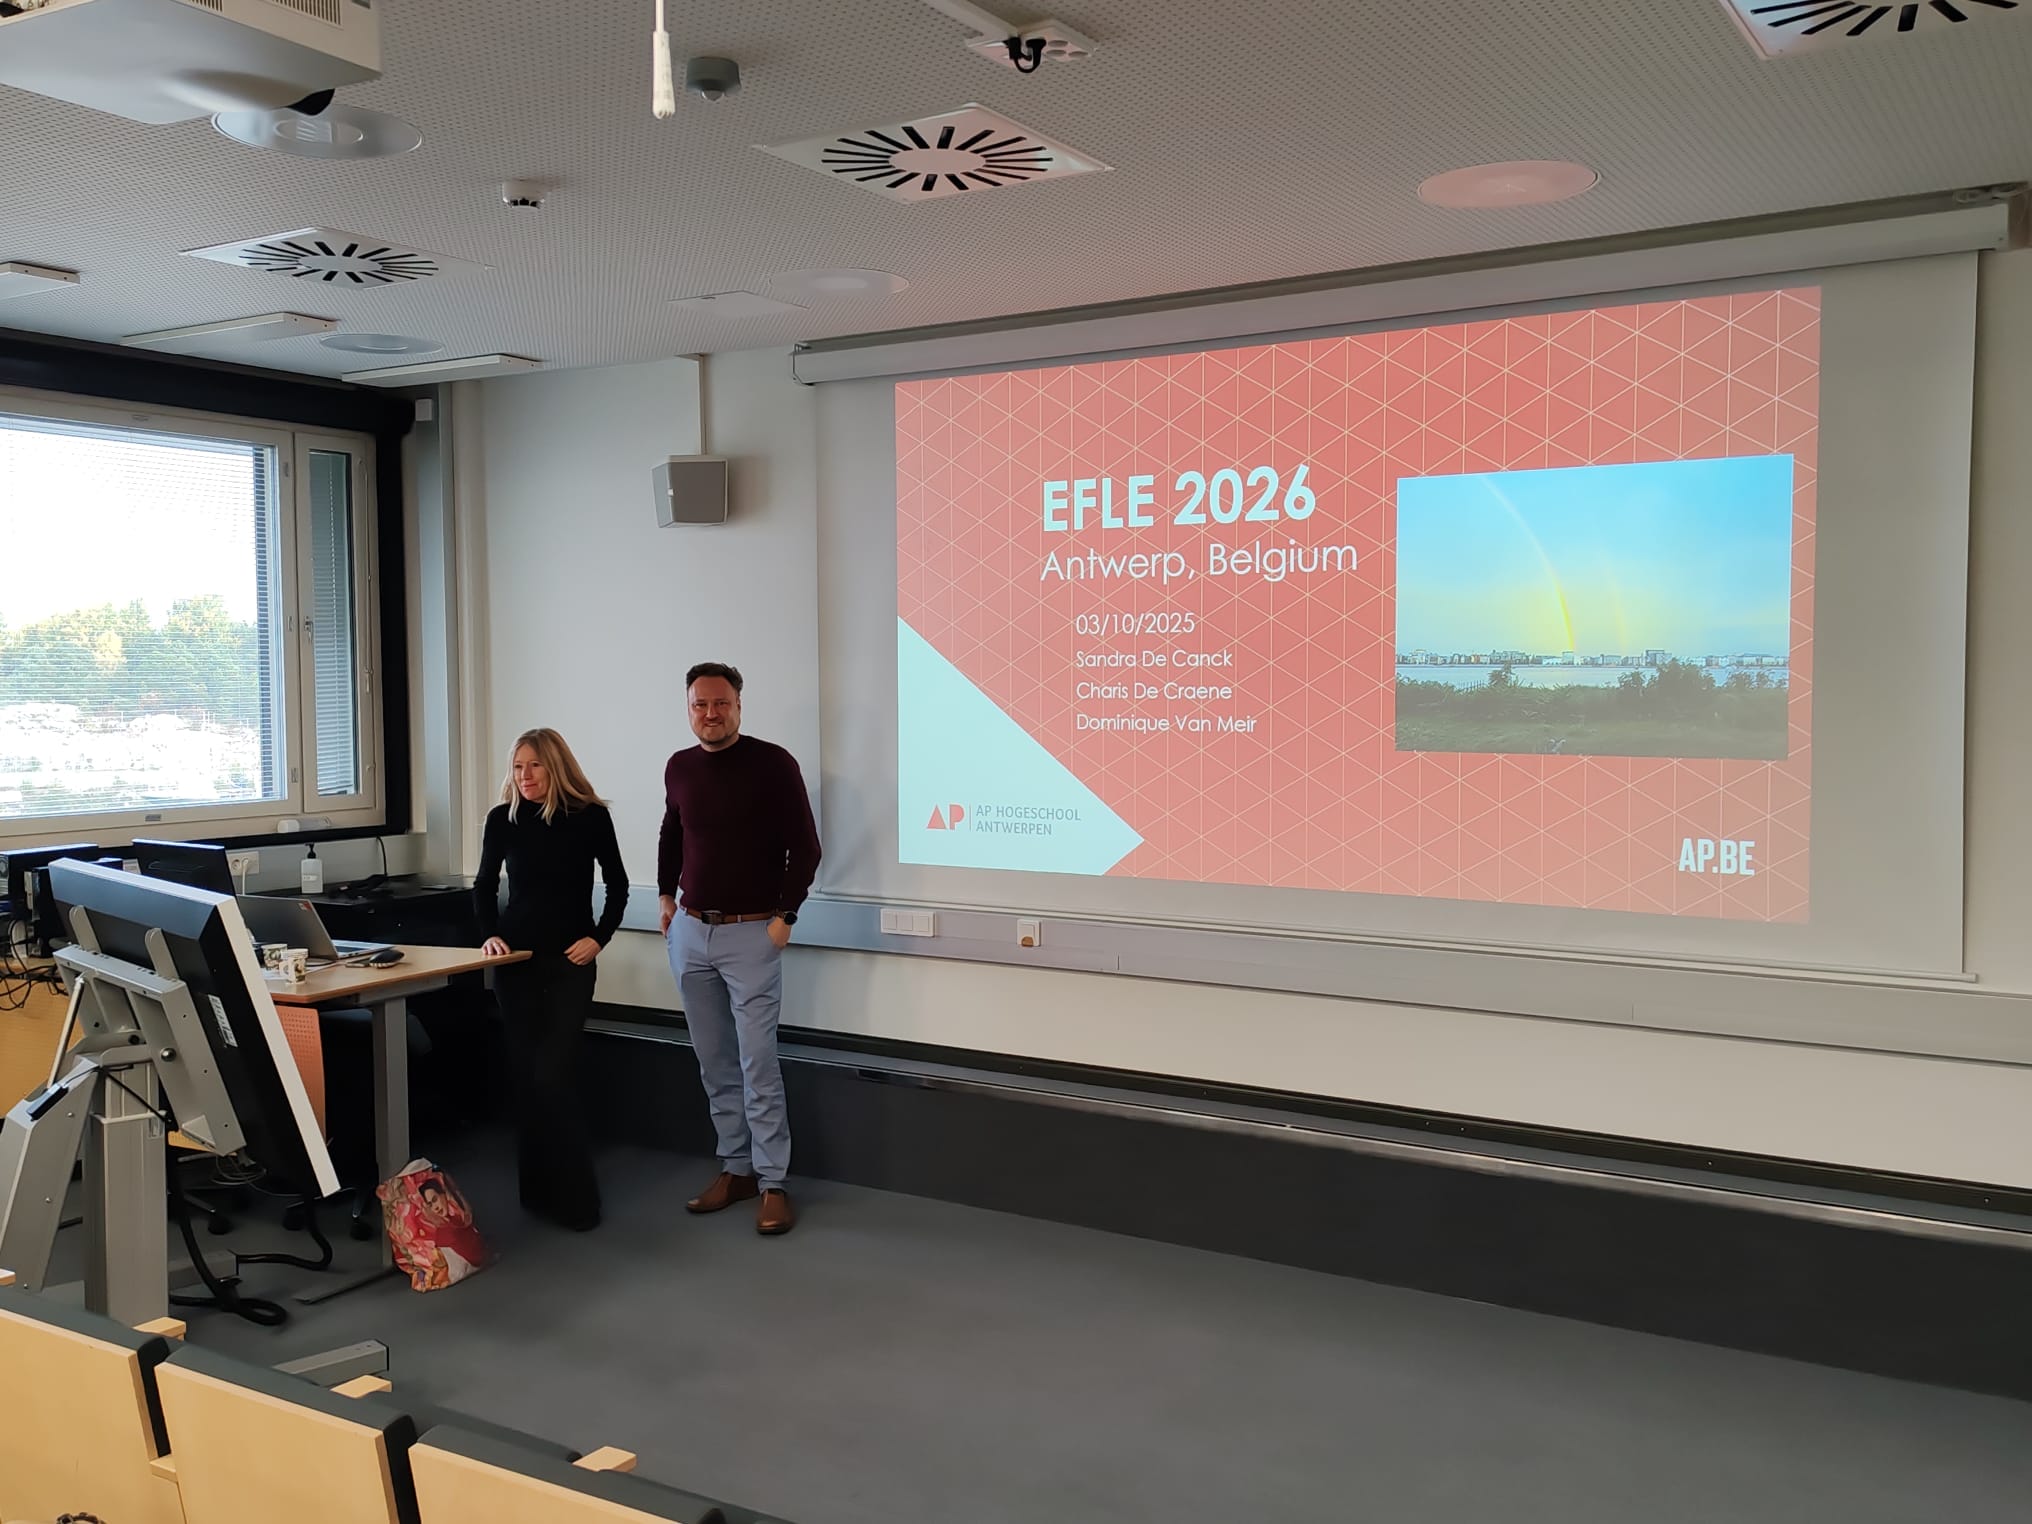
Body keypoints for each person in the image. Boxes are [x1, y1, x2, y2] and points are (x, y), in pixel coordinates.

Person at [658, 662, 821, 1235]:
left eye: (721, 703)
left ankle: (773, 1181)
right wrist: (663, 896)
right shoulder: (679, 767)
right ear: (689, 708)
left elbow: (805, 846)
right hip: (691, 933)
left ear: (739, 705)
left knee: (758, 1063)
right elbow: (672, 832)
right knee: (715, 1062)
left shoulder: (773, 764)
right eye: (700, 704)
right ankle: (737, 1168)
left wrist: (786, 916)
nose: (710, 713)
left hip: (754, 934)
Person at [475, 727, 628, 1232]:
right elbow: (482, 887)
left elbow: (619, 885)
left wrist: (599, 938)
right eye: (518, 767)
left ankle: (579, 1201)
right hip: (515, 962)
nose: (525, 777)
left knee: (553, 1075)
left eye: (534, 767)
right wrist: (490, 936)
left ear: (555, 767)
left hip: (569, 962)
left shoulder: (589, 818)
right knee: (526, 1077)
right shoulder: (503, 819)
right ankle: (537, 1194)